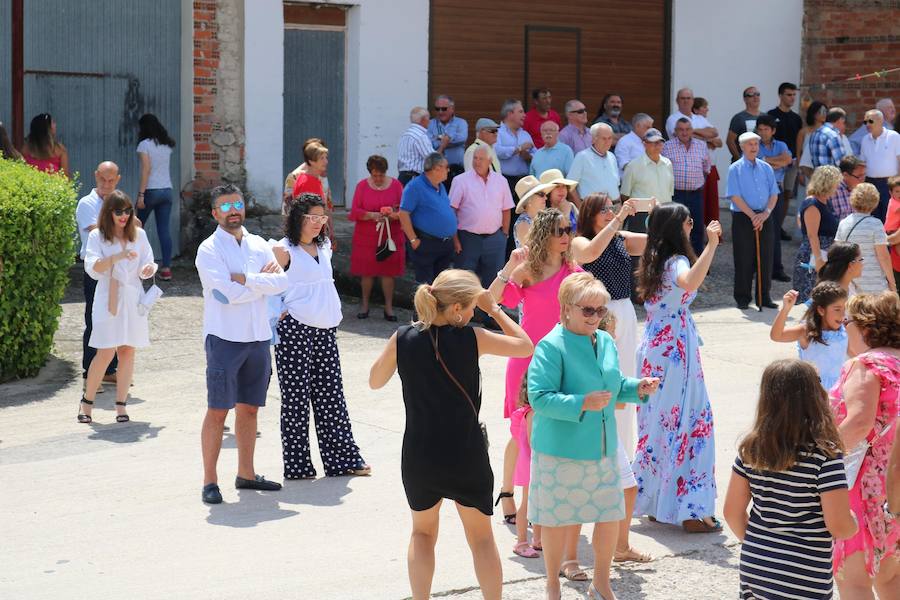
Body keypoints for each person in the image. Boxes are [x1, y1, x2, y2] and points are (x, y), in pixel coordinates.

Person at [368, 269, 533, 600]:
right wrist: (494, 308)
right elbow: (525, 346)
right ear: (456, 308)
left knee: (422, 534)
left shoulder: (403, 338)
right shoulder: (474, 338)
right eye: (471, 307)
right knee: (481, 539)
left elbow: (374, 381)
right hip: (466, 453)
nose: (473, 313)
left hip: (420, 454)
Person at [528, 271, 660, 600]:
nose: (595, 317)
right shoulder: (551, 345)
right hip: (561, 449)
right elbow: (539, 398)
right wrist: (582, 403)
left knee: (610, 515)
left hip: (602, 446)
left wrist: (637, 388)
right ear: (566, 308)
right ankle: (553, 585)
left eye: (601, 310)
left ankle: (601, 584)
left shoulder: (605, 341)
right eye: (588, 310)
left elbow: (613, 386)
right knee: (557, 521)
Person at [723, 359, 857, 600]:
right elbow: (838, 524)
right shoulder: (824, 457)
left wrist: (761, 544)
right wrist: (853, 522)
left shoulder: (752, 450)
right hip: (803, 574)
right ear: (814, 398)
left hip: (756, 564)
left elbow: (732, 512)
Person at [486, 208, 581, 533]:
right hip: (526, 358)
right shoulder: (527, 269)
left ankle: (541, 503)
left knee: (551, 434)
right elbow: (491, 301)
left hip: (560, 361)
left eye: (568, 229)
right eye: (559, 231)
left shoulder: (573, 271)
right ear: (543, 234)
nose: (566, 236)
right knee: (521, 433)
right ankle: (507, 493)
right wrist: (509, 267)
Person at [195, 184, 289, 505]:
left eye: (236, 204)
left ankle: (246, 474)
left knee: (250, 408)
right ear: (215, 213)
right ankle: (210, 480)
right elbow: (225, 294)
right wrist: (259, 283)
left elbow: (281, 282)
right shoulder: (209, 249)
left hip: (258, 337)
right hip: (224, 338)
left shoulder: (259, 244)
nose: (232, 210)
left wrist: (245, 279)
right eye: (225, 206)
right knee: (218, 410)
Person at [572, 194, 653, 564]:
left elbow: (655, 241)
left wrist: (658, 212)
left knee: (624, 385)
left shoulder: (619, 237)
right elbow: (590, 253)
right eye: (603, 209)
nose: (609, 213)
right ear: (591, 214)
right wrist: (618, 218)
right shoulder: (581, 240)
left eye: (611, 208)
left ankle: (620, 461)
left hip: (624, 310)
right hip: (598, 313)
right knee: (605, 383)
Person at [633, 203, 724, 532]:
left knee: (657, 423)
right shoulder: (677, 261)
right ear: (677, 227)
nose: (691, 226)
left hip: (654, 344)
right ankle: (690, 511)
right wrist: (712, 246)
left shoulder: (652, 257)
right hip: (675, 350)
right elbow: (689, 281)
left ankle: (657, 502)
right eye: (688, 222)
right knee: (692, 421)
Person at [273, 195, 370, 480]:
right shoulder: (282, 250)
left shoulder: (324, 246)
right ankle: (298, 466)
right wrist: (278, 310)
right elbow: (266, 285)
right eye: (312, 217)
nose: (318, 223)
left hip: (326, 329)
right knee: (296, 399)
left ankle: (343, 460)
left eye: (322, 217)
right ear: (297, 218)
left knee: (331, 396)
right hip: (295, 330)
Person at [830, 292, 900, 599]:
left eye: (846, 322)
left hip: (866, 484)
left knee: (854, 579)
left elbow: (859, 423)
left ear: (866, 327)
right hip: (895, 483)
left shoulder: (866, 364)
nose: (842, 328)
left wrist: (819, 461)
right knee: (891, 578)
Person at [78, 190, 157, 424]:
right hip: (107, 297)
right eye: (118, 211)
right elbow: (93, 268)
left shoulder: (139, 235)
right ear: (108, 213)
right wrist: (118, 256)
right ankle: (87, 402)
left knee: (127, 351)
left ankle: (121, 405)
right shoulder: (97, 236)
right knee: (105, 352)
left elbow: (149, 261)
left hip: (133, 296)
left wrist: (148, 269)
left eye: (127, 211)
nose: (124, 216)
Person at [449, 145, 514, 310]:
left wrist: (504, 234)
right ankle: (460, 313)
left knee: (493, 279)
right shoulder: (460, 181)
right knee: (464, 279)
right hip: (467, 237)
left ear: (490, 161)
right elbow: (452, 211)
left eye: (481, 159)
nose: (477, 162)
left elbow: (506, 209)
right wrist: (455, 240)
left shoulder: (501, 181)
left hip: (495, 238)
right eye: (475, 158)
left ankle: (490, 314)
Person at [76, 161, 121, 390]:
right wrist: (122, 225)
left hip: (117, 270)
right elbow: (98, 230)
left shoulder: (120, 202)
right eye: (103, 179)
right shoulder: (87, 202)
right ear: (96, 176)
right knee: (94, 320)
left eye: (111, 180)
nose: (106, 184)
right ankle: (89, 374)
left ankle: (109, 371)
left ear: (117, 180)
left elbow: (135, 226)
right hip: (95, 270)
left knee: (114, 319)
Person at [727, 131, 780, 309]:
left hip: (765, 216)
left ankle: (764, 296)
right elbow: (734, 196)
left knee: (766, 257)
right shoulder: (735, 169)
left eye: (756, 144)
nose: (754, 147)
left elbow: (774, 193)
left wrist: (765, 214)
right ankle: (742, 297)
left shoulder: (766, 168)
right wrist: (753, 216)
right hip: (743, 217)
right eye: (750, 144)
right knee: (744, 258)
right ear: (742, 147)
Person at [348, 154, 405, 321]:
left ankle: (389, 307)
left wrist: (392, 215)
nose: (378, 178)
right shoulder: (361, 186)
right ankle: (365, 305)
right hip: (366, 237)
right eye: (375, 175)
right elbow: (355, 211)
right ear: (370, 173)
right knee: (367, 272)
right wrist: (372, 215)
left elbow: (403, 210)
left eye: (381, 175)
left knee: (388, 273)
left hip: (390, 235)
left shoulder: (396, 185)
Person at [770, 283, 849, 391]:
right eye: (837, 309)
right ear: (821, 310)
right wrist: (786, 309)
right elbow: (776, 336)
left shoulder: (843, 330)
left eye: (844, 308)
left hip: (839, 390)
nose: (842, 314)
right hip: (813, 390)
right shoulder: (806, 331)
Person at [792, 165, 843, 302]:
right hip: (813, 256)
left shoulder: (826, 202)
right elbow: (812, 235)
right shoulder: (812, 203)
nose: (837, 187)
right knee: (809, 299)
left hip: (825, 254)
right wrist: (818, 258)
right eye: (836, 184)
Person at [135, 113, 176, 281]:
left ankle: (136, 265)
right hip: (167, 190)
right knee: (164, 230)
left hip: (151, 191)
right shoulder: (167, 145)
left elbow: (146, 170)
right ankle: (166, 269)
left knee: (136, 228)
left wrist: (141, 195)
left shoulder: (144, 145)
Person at [835, 182, 896, 294]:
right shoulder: (876, 224)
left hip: (850, 281)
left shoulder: (844, 223)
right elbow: (883, 256)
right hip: (874, 281)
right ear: (875, 202)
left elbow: (838, 252)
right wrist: (892, 283)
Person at [663, 118, 711, 255]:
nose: (684, 133)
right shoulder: (667, 146)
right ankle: (675, 259)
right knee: (675, 227)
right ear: (675, 131)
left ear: (692, 130)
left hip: (696, 194)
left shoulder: (701, 146)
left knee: (696, 228)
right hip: (675, 194)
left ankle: (696, 261)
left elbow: (706, 168)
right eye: (681, 129)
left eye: (687, 129)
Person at [755, 114, 794, 281]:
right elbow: (757, 165)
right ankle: (757, 268)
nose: (763, 132)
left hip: (776, 190)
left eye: (766, 129)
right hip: (759, 190)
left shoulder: (781, 145)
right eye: (760, 129)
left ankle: (776, 269)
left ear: (773, 131)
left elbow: (788, 160)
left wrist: (766, 160)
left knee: (775, 230)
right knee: (758, 229)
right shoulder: (754, 145)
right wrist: (777, 162)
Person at [510, 377, 540, 558]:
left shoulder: (535, 411)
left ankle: (537, 538)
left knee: (538, 502)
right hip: (531, 463)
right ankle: (521, 542)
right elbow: (532, 441)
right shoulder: (533, 413)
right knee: (528, 503)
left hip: (535, 462)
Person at [768, 84, 804, 229]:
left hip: (792, 163)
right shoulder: (771, 115)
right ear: (780, 95)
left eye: (794, 95)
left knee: (787, 194)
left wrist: (798, 161)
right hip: (774, 162)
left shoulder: (796, 118)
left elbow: (799, 141)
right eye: (789, 95)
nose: (792, 98)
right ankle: (769, 224)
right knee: (772, 193)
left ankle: (779, 227)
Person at [858, 108, 900, 222]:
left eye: (870, 121)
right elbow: (862, 163)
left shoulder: (894, 136)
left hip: (890, 183)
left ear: (881, 121)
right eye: (865, 122)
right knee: (873, 214)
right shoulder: (865, 139)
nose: (867, 124)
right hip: (870, 182)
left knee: (890, 215)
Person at [567, 122, 620, 208]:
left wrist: (619, 205)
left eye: (610, 138)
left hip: (614, 206)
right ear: (594, 139)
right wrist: (580, 208)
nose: (607, 142)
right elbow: (570, 186)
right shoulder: (582, 156)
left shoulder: (612, 156)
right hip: (593, 207)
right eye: (604, 138)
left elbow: (615, 185)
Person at [621, 128, 674, 209]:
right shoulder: (633, 166)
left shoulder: (668, 163)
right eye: (653, 142)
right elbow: (625, 195)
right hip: (642, 213)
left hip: (665, 211)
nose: (657, 146)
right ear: (644, 144)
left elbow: (670, 192)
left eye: (660, 142)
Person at [692, 98, 724, 225]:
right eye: (704, 107)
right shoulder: (693, 120)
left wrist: (706, 138)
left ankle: (712, 230)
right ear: (696, 109)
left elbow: (718, 140)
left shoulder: (705, 121)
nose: (707, 109)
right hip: (698, 167)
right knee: (701, 202)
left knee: (711, 202)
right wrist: (707, 138)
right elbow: (690, 135)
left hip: (711, 166)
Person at [428, 95, 468, 188]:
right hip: (436, 171)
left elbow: (462, 138)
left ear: (452, 109)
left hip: (456, 171)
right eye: (437, 109)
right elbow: (430, 143)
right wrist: (448, 140)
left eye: (444, 109)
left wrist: (439, 139)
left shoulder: (461, 123)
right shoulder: (430, 124)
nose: (440, 112)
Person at [284, 138, 334, 212]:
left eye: (325, 157)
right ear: (311, 159)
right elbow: (288, 208)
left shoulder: (319, 173)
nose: (326, 161)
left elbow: (327, 202)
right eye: (321, 157)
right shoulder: (296, 177)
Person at [496, 99, 535, 192]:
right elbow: (498, 152)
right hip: (505, 181)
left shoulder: (525, 134)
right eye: (521, 112)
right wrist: (519, 148)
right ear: (510, 114)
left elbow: (536, 155)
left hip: (525, 182)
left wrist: (529, 157)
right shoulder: (497, 132)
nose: (524, 115)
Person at [21, 113, 69, 177]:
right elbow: (65, 177)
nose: (55, 125)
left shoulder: (26, 149)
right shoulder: (60, 150)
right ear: (48, 128)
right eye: (53, 122)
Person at [397, 107, 433, 185]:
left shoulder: (405, 135)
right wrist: (443, 145)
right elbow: (432, 158)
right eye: (429, 118)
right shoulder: (420, 136)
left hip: (402, 177)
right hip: (414, 178)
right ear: (423, 120)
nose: (430, 121)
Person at [726, 86, 763, 161]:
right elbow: (730, 141)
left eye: (757, 94)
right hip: (744, 161)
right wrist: (740, 159)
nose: (755, 97)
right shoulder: (739, 118)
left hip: (761, 161)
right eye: (751, 95)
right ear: (745, 99)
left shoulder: (765, 117)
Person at [797, 101, 829, 184]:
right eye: (821, 112)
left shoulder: (828, 132)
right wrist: (800, 172)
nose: (824, 114)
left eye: (825, 112)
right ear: (814, 114)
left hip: (823, 172)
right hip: (806, 170)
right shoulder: (803, 132)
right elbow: (798, 153)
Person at [828, 155, 867, 222]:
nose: (862, 179)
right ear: (845, 175)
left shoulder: (863, 190)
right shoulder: (832, 191)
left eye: (864, 175)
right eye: (859, 176)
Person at [615, 113, 654, 179]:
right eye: (648, 127)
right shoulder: (624, 141)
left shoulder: (649, 141)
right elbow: (624, 165)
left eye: (651, 128)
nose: (650, 130)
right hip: (631, 182)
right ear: (637, 126)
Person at [886, 176, 900, 290]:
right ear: (891, 193)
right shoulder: (894, 203)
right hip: (892, 230)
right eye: (897, 191)